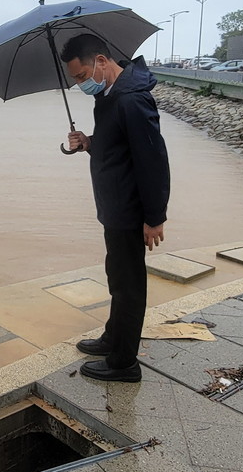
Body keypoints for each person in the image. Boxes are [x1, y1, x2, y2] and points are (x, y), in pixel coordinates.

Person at [60, 34, 170, 383]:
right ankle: (113, 337)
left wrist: (154, 217)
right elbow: (118, 147)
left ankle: (124, 362)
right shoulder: (110, 96)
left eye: (81, 77)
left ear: (102, 62)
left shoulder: (132, 100)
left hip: (129, 209)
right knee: (117, 277)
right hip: (114, 206)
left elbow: (152, 160)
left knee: (129, 284)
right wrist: (89, 143)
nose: (80, 84)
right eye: (75, 79)